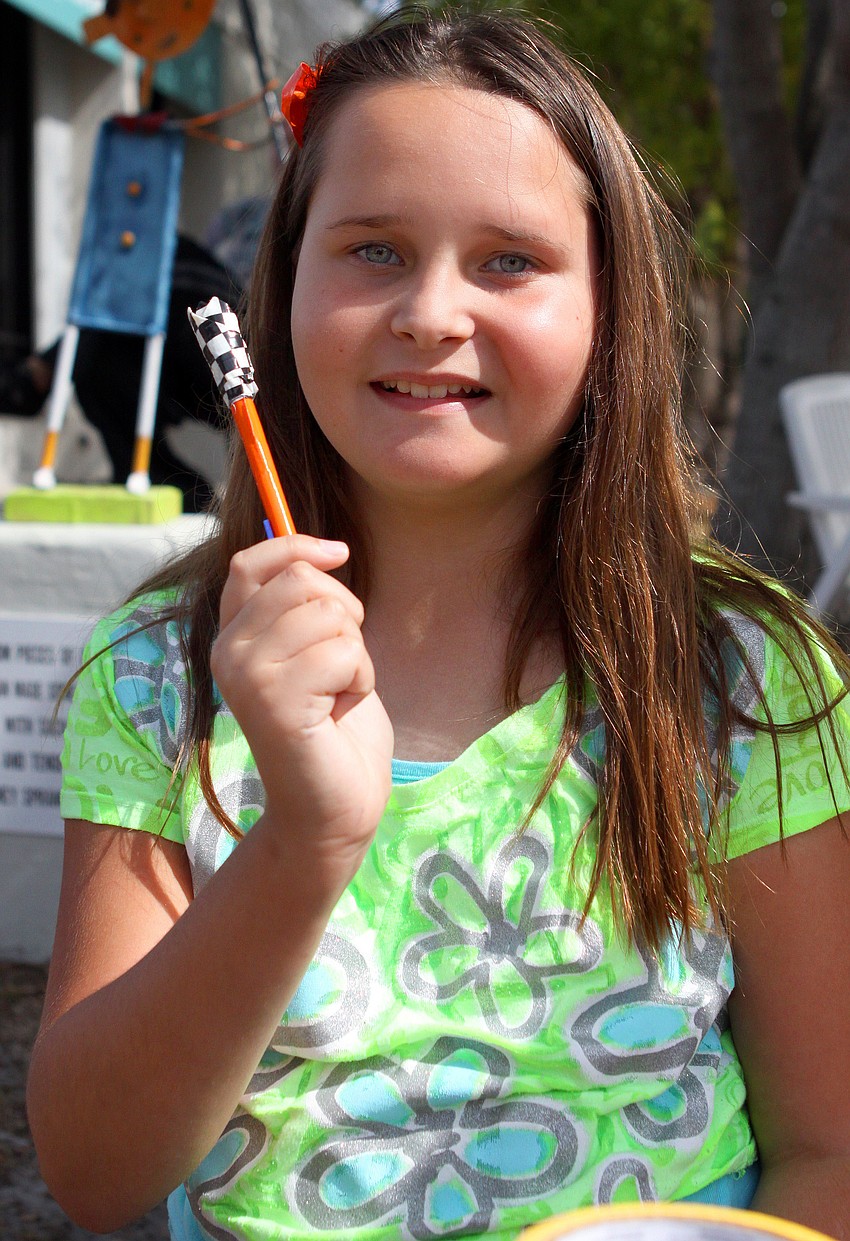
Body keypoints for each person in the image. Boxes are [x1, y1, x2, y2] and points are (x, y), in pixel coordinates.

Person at [26, 8, 850, 1240]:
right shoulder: (160, 674)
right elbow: (96, 1172)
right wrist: (302, 841)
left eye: (509, 260)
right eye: (373, 248)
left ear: (609, 308)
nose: (429, 312)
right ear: (284, 284)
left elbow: (831, 1144)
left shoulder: (735, 668)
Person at [0, 235, 239, 511]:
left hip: (222, 347)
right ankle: (175, 489)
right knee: (96, 355)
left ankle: (35, 378)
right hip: (176, 348)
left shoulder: (151, 257)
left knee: (94, 354)